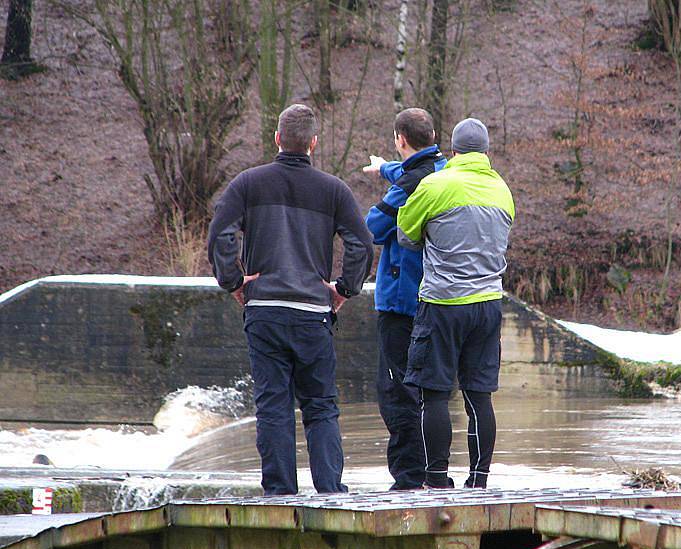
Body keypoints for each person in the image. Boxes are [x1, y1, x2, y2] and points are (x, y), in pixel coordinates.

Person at [207, 103, 373, 495]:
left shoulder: (248, 184)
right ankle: (330, 490)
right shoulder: (333, 190)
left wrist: (233, 282)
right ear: (313, 143)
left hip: (264, 312)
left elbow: (220, 236)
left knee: (273, 406)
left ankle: (280, 491)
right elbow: (362, 244)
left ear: (278, 139)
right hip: (313, 313)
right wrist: (344, 290)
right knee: (320, 406)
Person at [397, 117, 514, 489]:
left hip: (443, 303)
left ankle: (436, 478)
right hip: (489, 304)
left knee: (434, 393)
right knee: (479, 395)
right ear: (486, 152)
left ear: (453, 150)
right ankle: (478, 480)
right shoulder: (502, 190)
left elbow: (405, 234)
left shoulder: (435, 184)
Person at [363, 108, 446, 490]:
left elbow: (372, 228)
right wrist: (385, 169)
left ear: (401, 139)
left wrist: (389, 177)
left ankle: (408, 476)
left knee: (396, 390)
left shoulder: (408, 185)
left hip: (401, 301)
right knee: (434, 391)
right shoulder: (444, 170)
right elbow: (415, 170)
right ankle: (436, 471)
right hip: (441, 299)